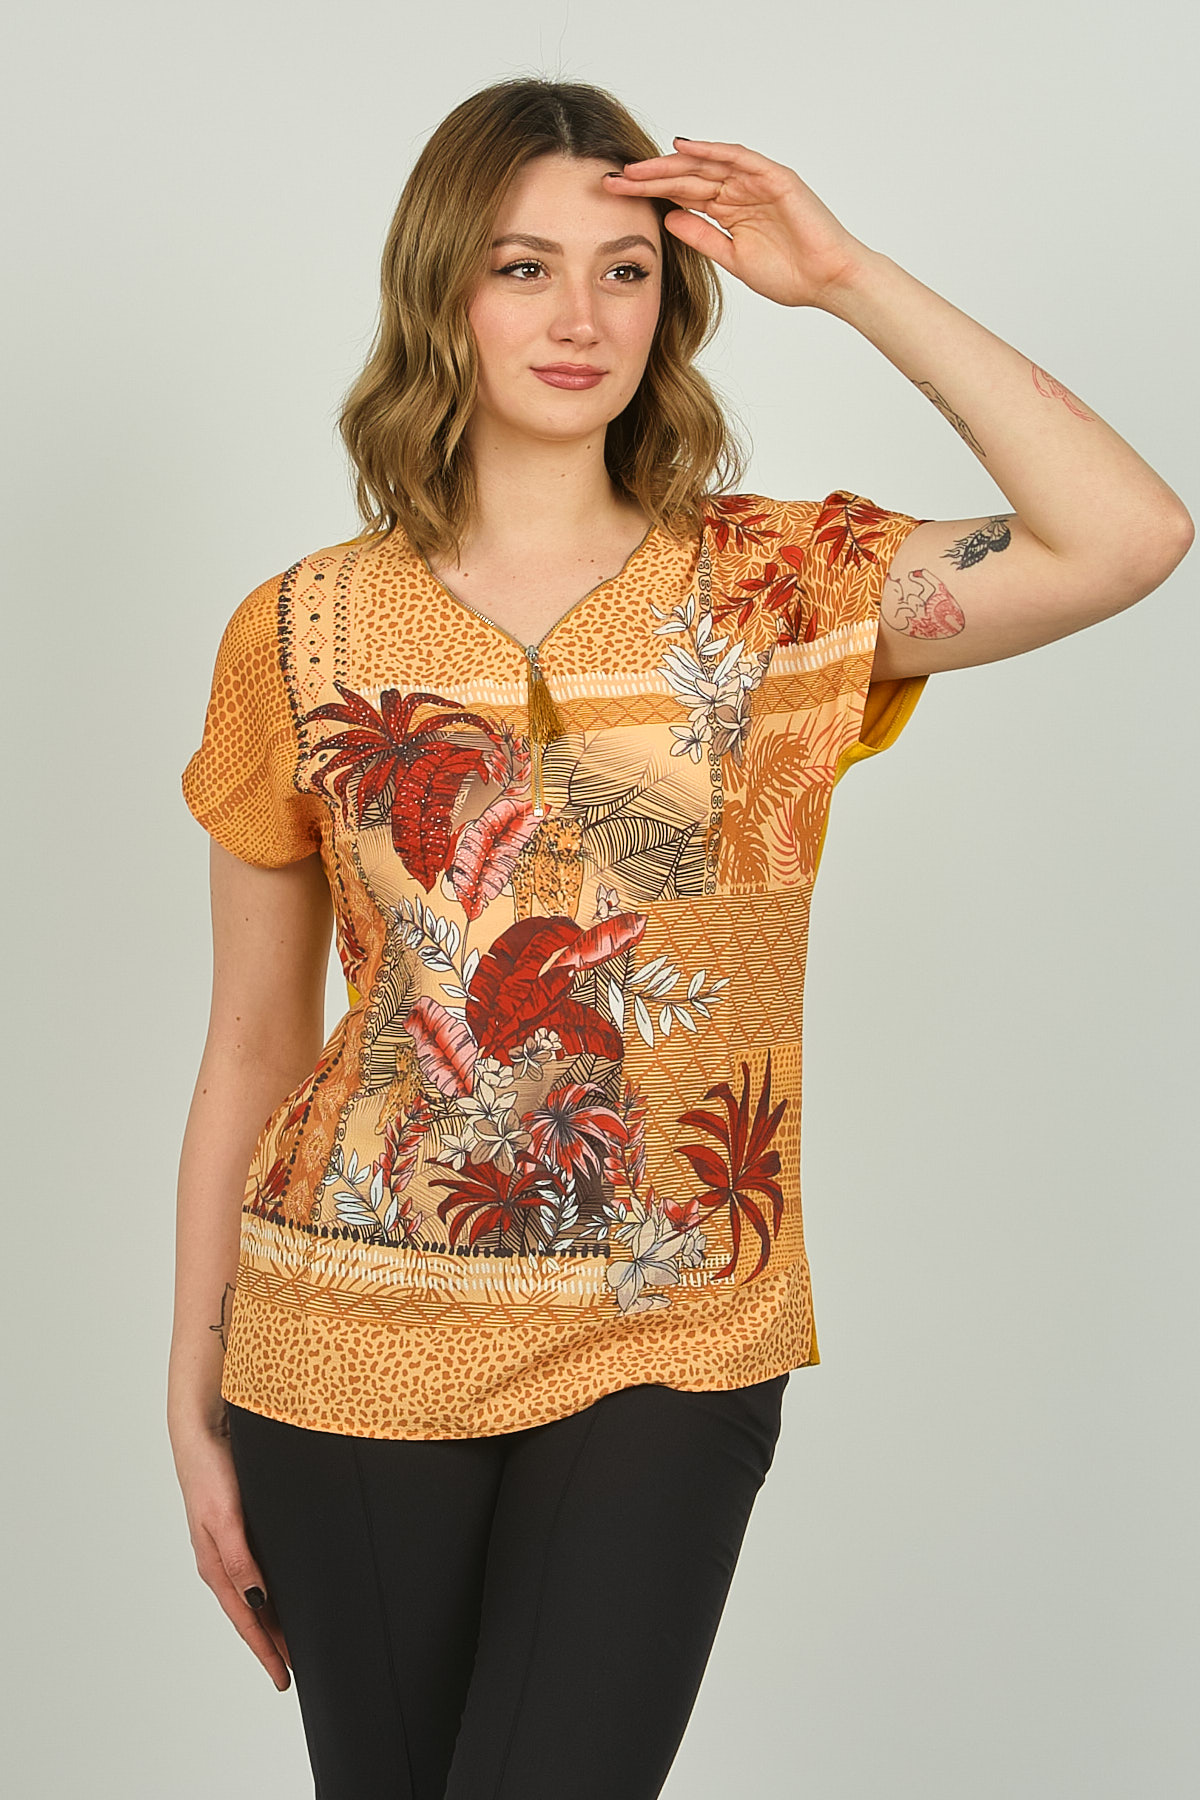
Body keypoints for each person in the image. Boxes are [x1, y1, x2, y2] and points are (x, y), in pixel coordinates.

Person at [168, 76, 1192, 1800]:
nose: (580, 316)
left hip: (672, 1327)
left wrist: (845, 275)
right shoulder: (296, 630)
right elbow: (255, 1045)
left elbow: (1129, 532)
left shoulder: (785, 591)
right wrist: (192, 1397)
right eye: (524, 267)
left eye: (626, 270)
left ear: (674, 300)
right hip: (340, 1332)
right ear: (442, 289)